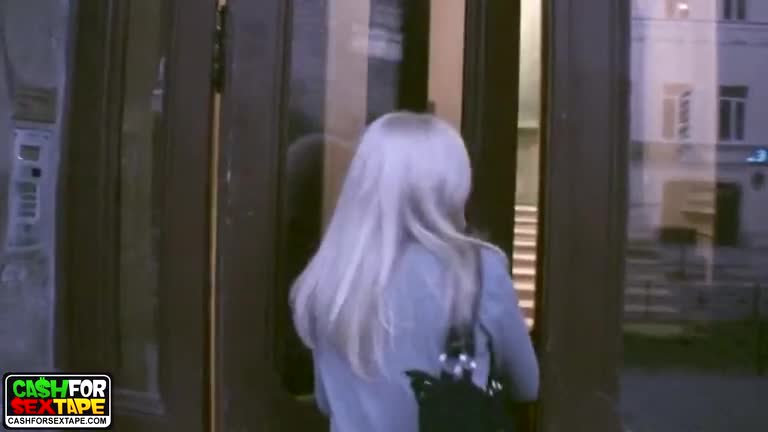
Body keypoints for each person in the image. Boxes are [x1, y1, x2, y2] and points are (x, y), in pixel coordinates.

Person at [290, 111, 539, 432]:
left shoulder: (330, 276)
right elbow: (527, 384)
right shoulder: (479, 270)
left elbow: (327, 400)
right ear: (451, 185)